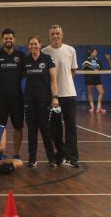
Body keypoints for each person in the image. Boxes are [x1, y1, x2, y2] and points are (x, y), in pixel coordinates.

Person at [42, 25, 80, 168]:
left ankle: (73, 157)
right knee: (55, 128)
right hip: (53, 97)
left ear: (62, 35)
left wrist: (66, 82)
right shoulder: (44, 52)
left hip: (69, 95)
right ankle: (61, 154)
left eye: (57, 33)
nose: (55, 36)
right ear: (49, 36)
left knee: (71, 127)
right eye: (53, 34)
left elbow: (73, 70)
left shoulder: (71, 50)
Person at [0, 28, 25, 159]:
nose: (8, 40)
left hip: (17, 98)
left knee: (18, 126)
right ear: (2, 40)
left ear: (14, 39)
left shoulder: (20, 55)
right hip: (0, 97)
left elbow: (23, 73)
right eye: (6, 38)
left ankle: (16, 153)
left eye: (10, 38)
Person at [23, 36, 58, 167]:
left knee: (45, 130)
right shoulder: (25, 60)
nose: (33, 46)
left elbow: (53, 80)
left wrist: (55, 97)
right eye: (31, 44)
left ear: (40, 44)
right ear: (28, 46)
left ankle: (51, 159)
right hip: (29, 100)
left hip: (44, 100)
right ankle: (32, 159)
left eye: (35, 44)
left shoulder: (47, 59)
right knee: (32, 130)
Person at [82, 48, 106, 113]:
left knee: (102, 92)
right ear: (91, 53)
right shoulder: (86, 60)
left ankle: (99, 107)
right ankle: (92, 107)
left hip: (97, 78)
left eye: (96, 52)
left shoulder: (98, 61)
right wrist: (91, 66)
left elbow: (100, 69)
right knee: (90, 93)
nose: (96, 53)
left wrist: (96, 69)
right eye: (95, 52)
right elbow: (83, 67)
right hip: (89, 78)